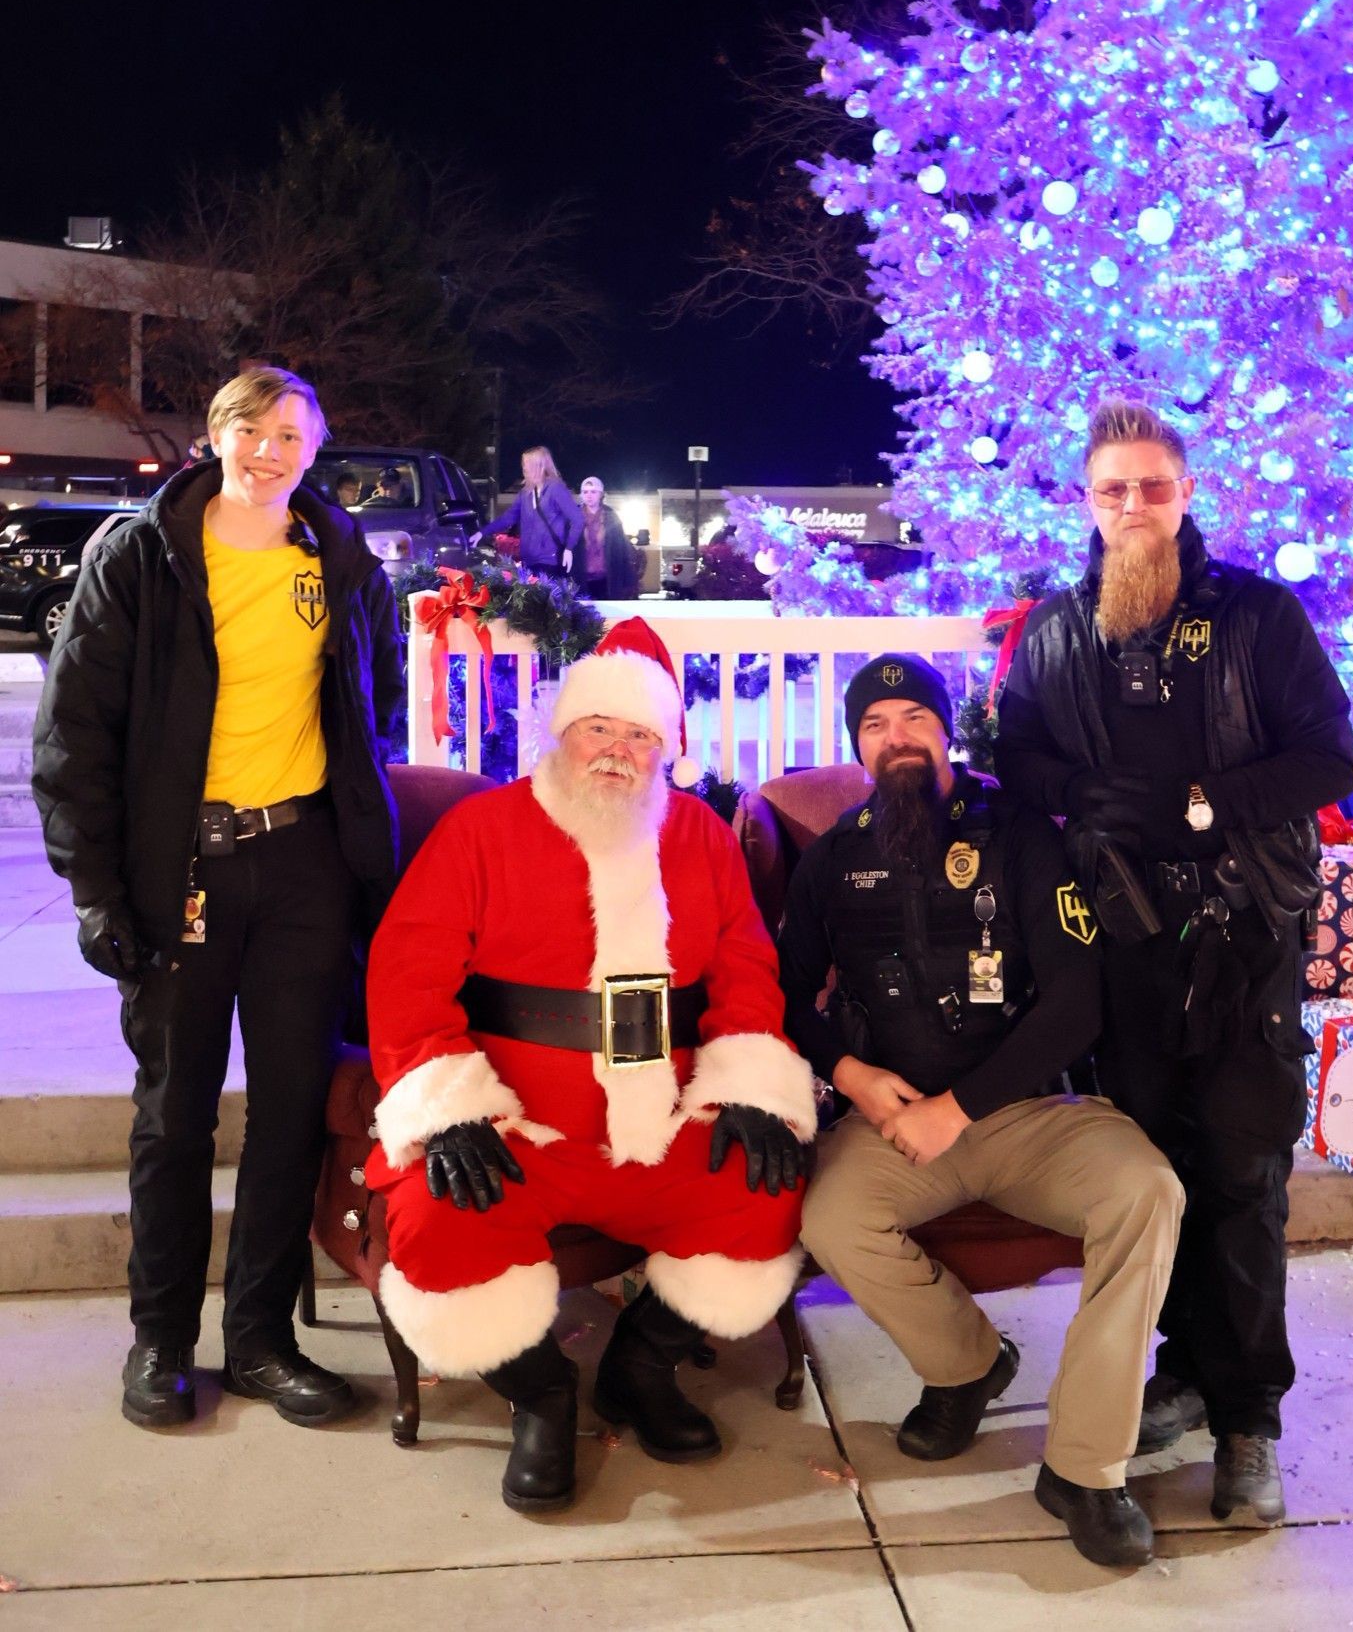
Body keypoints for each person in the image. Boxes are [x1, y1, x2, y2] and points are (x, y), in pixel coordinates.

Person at [994, 397, 1353, 1528]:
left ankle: (1247, 1417)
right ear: (1087, 504)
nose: (1133, 507)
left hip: (1244, 943)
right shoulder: (1054, 633)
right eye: (1113, 490)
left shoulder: (1257, 618)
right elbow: (1014, 751)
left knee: (1242, 1178)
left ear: (1184, 493)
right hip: (1128, 950)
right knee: (1156, 1179)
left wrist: (1203, 806)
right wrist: (1072, 796)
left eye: (1151, 486)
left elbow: (1326, 760)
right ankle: (1186, 1372)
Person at [364, 616, 816, 1513]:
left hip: (666, 1120)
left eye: (640, 734)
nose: (616, 750)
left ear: (667, 750)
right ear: (560, 735)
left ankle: (637, 1369)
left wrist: (749, 1083)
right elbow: (408, 971)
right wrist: (448, 1104)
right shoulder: (481, 828)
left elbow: (745, 970)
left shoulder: (700, 836)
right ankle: (539, 1393)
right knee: (435, 1225)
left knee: (762, 1197)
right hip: (517, 1126)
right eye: (598, 729)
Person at [33, 365, 405, 1431]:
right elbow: (73, 740)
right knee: (175, 1118)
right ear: (215, 436)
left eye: (291, 433)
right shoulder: (141, 555)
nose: (270, 451)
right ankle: (159, 1341)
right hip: (177, 874)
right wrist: (98, 893)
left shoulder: (335, 557)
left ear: (313, 449)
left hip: (301, 871)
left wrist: (358, 844)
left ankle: (259, 1340)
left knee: (290, 1113)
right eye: (252, 429)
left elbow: (373, 706)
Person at [780, 654, 1182, 1570]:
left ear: (944, 729)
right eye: (874, 725)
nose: (896, 739)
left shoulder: (1022, 836)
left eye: (914, 718)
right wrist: (850, 1072)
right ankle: (967, 1367)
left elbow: (1078, 1002)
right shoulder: (836, 857)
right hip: (895, 1119)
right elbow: (783, 993)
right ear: (856, 745)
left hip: (1028, 1113)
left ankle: (1086, 1467)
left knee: (1146, 1193)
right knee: (832, 1216)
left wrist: (957, 1108)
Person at [482, 446, 583, 580]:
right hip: (529, 561)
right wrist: (482, 532)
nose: (524, 468)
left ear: (539, 466)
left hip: (550, 560)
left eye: (527, 464)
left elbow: (577, 519)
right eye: (523, 464)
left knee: (548, 598)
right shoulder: (526, 493)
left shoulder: (555, 488)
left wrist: (569, 548)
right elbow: (508, 518)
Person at [570, 475, 641, 601]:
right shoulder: (573, 517)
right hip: (581, 579)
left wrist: (628, 580)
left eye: (593, 492)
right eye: (585, 492)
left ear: (601, 494)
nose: (589, 495)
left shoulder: (611, 517)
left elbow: (621, 550)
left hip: (607, 580)